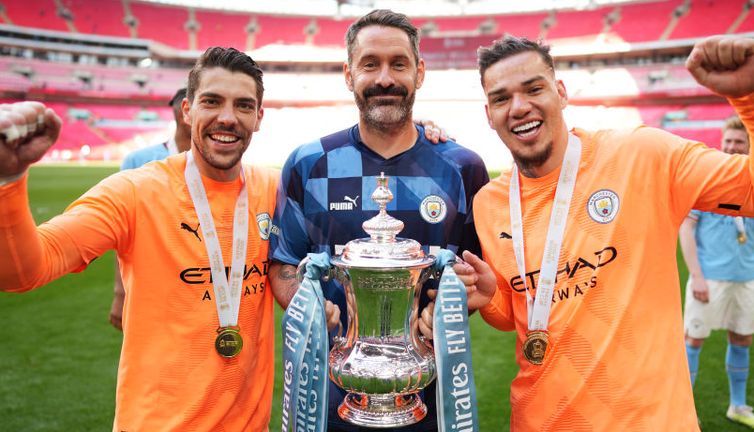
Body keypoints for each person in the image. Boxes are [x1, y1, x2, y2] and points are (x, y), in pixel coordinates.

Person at [453, 35, 754, 431]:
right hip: (537, 420)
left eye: (534, 89)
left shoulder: (642, 155)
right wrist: (488, 297)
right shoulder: (490, 203)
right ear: (489, 113)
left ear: (561, 92)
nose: (519, 107)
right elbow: (515, 312)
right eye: (501, 98)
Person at [0, 47, 278, 431]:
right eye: (211, 102)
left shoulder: (274, 189)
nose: (227, 118)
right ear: (187, 110)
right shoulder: (134, 191)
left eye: (243, 105)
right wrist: (7, 181)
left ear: (259, 117)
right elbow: (23, 272)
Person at [267, 9, 489, 432]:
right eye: (370, 64)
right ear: (349, 74)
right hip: (328, 397)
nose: (385, 78)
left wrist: (446, 310)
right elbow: (282, 266)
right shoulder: (309, 164)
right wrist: (314, 309)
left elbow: (474, 275)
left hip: (431, 396)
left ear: (419, 72)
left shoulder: (461, 168)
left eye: (398, 64)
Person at [681, 116, 754, 431]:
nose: (731, 147)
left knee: (742, 338)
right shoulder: (706, 181)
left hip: (746, 277)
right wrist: (698, 276)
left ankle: (738, 406)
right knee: (693, 339)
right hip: (709, 277)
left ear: (749, 146)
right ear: (722, 142)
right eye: (728, 141)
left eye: (738, 143)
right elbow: (686, 230)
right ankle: (682, 412)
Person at [109, 87, 192, 331]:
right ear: (183, 114)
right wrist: (120, 292)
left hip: (201, 285)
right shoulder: (137, 161)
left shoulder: (218, 163)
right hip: (149, 285)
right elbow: (122, 229)